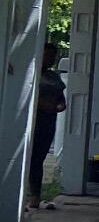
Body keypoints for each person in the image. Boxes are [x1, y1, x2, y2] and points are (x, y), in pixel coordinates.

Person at [28, 41, 64, 208]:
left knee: (38, 159)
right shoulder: (31, 74)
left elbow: (61, 98)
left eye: (52, 56)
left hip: (48, 123)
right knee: (27, 158)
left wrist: (59, 105)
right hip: (33, 121)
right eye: (46, 55)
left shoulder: (54, 77)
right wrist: (42, 105)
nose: (50, 59)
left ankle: (35, 195)